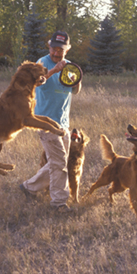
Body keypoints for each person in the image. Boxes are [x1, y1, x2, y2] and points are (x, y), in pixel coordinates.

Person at [20, 31, 81, 212]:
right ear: (49, 46)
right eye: (54, 49)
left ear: (67, 50)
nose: (56, 53)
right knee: (60, 163)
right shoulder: (41, 63)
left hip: (63, 122)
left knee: (56, 162)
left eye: (60, 50)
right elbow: (35, 83)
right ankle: (59, 203)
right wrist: (55, 70)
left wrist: (76, 82)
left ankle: (28, 187)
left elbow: (75, 90)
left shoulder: (70, 66)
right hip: (44, 121)